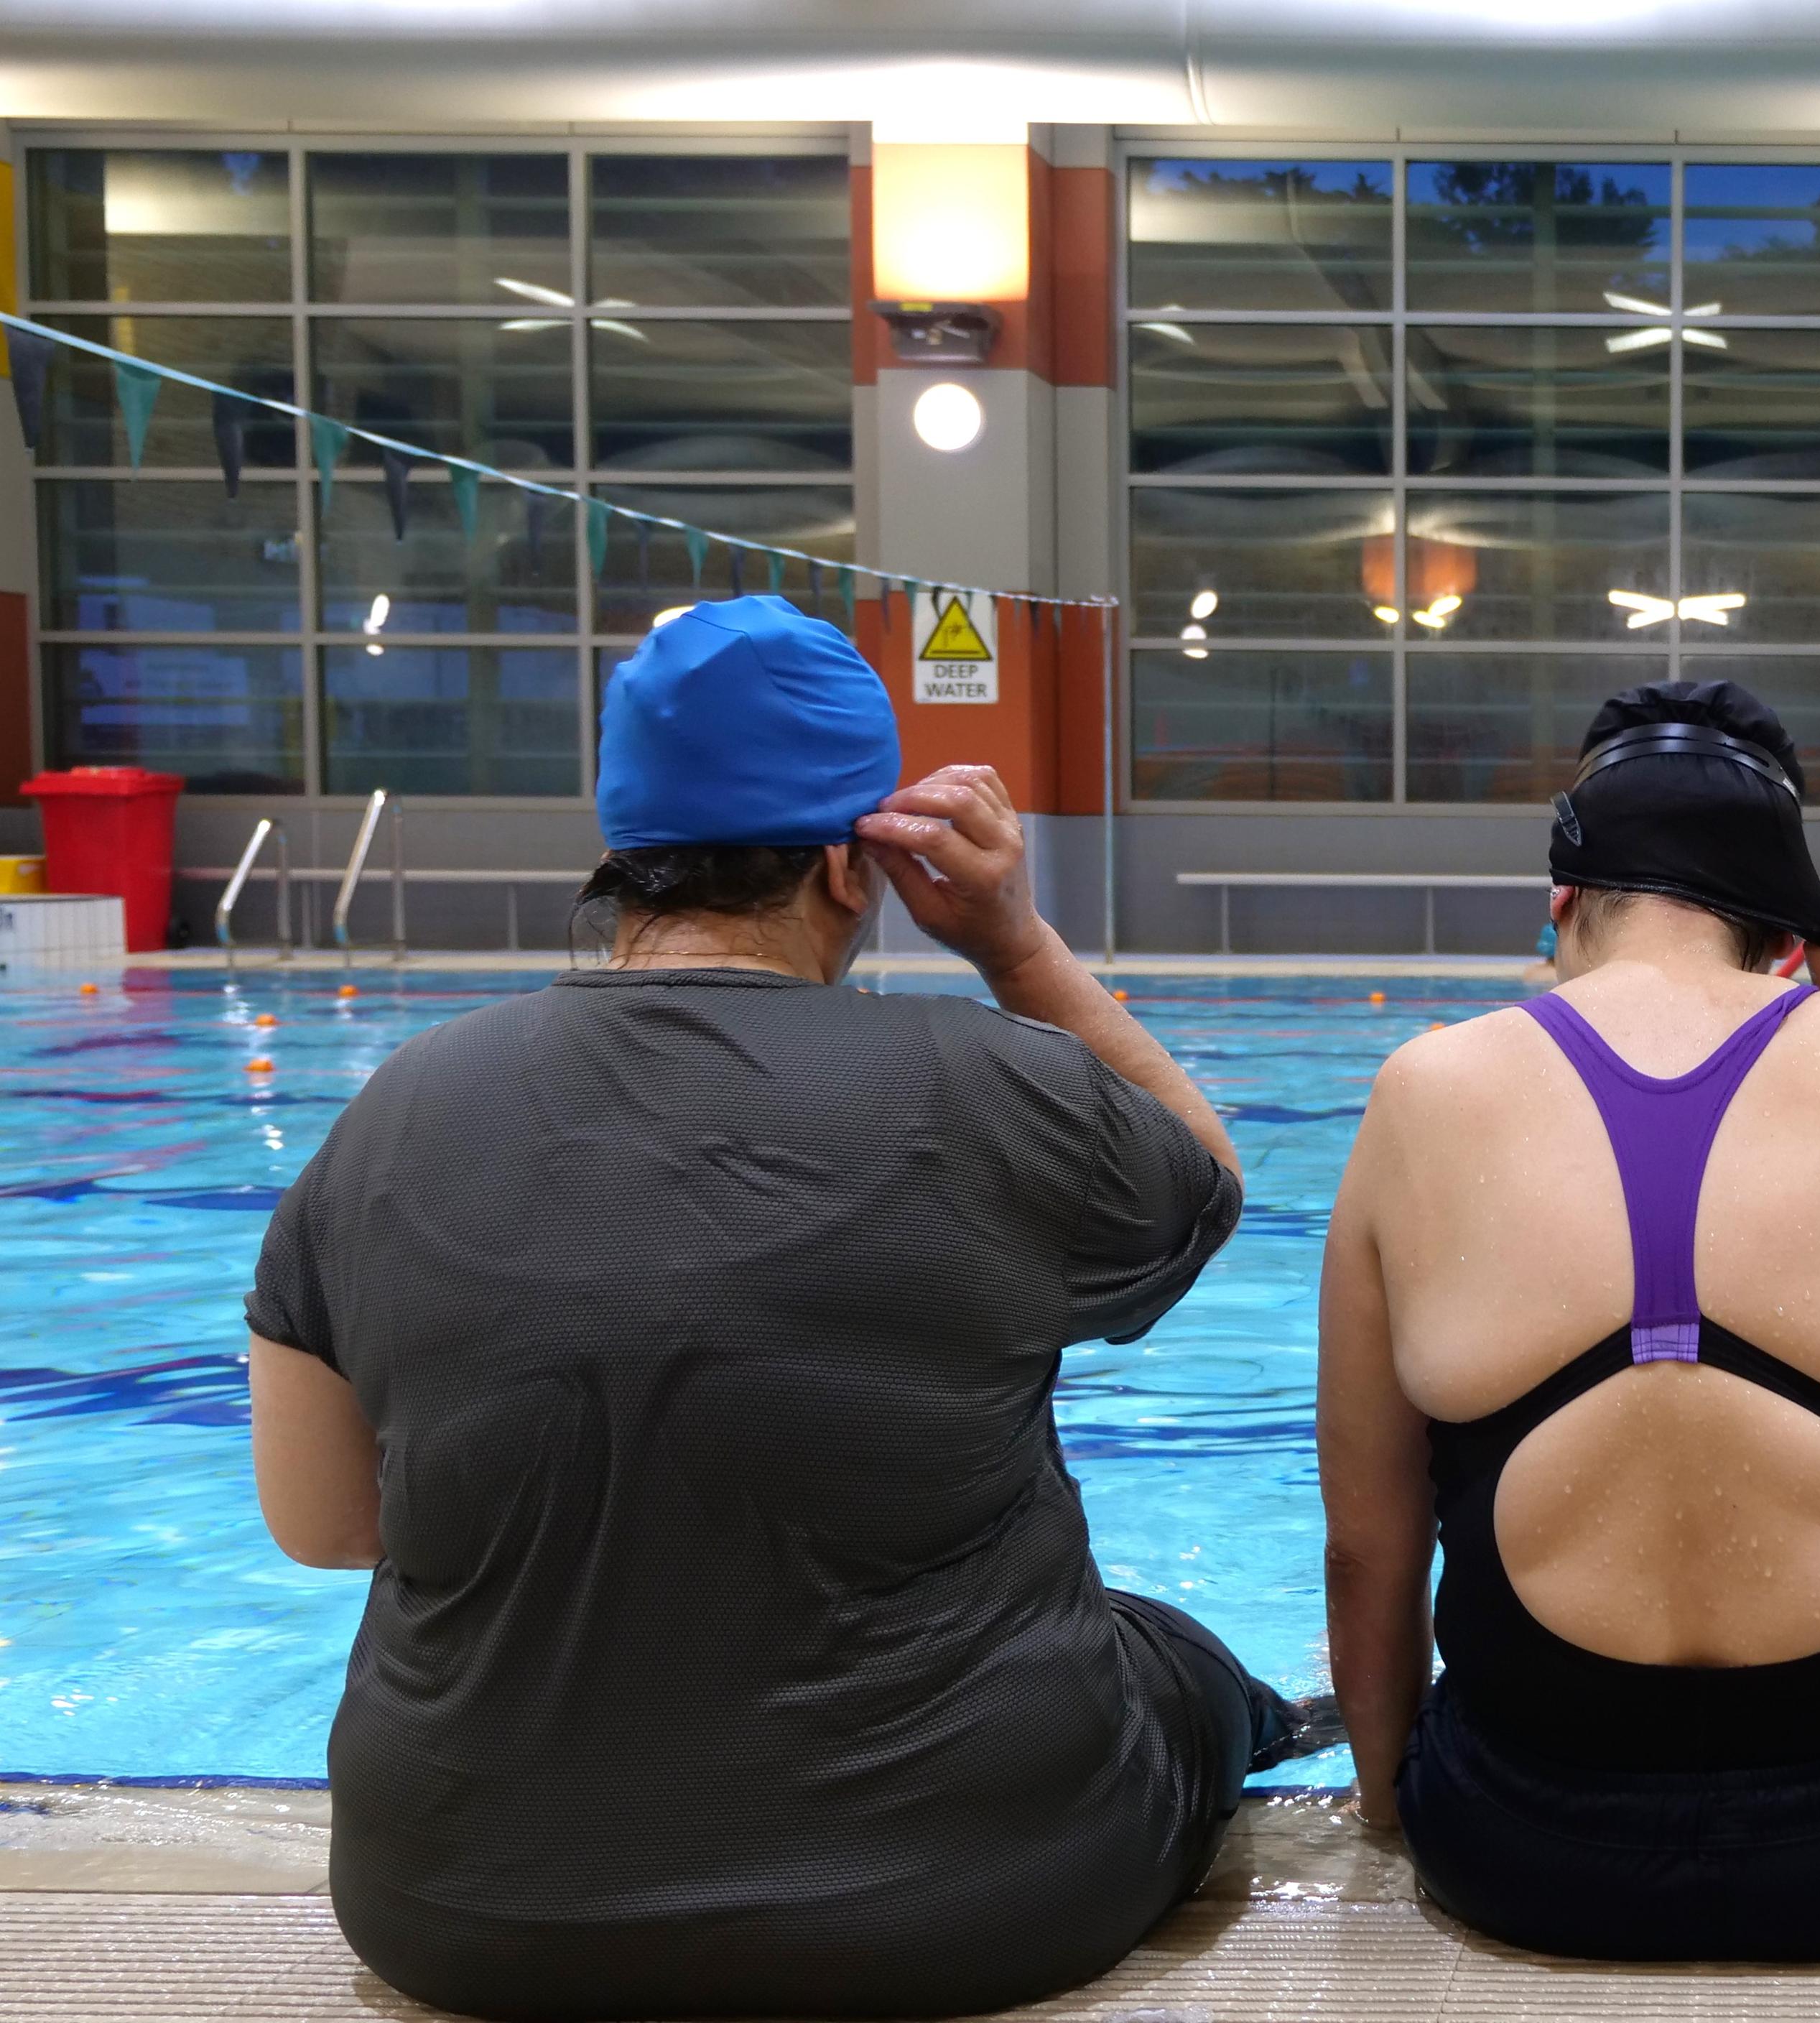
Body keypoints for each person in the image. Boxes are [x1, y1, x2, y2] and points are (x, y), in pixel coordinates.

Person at [244, 597, 1317, 2022]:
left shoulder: (397, 1111)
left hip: (458, 1906)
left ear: (620, 848)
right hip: (968, 1896)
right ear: (849, 863)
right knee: (1176, 1663)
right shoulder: (989, 1085)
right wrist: (1016, 949)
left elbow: (329, 1527)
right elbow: (1209, 1184)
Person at [1317, 680, 1820, 1961]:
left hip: (1523, 1846)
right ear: (1784, 925)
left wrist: (1395, 1807)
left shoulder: (1424, 1088)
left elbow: (1368, 1547)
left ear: (1561, 898)